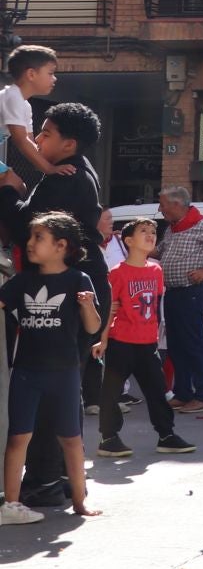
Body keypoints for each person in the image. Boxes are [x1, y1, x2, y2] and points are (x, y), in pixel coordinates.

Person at [1, 211, 102, 523]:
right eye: (31, 237)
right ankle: (12, 504)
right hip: (27, 371)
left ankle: (80, 500)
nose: (30, 244)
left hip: (65, 371)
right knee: (19, 437)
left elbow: (92, 327)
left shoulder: (78, 280)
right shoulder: (23, 280)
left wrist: (87, 306)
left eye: (38, 238)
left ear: (62, 245)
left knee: (71, 438)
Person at [94, 217, 193, 459]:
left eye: (153, 231)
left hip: (147, 342)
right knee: (112, 391)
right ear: (128, 240)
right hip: (121, 341)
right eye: (143, 231)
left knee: (157, 390)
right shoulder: (117, 273)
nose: (150, 235)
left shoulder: (157, 270)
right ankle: (109, 438)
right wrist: (103, 339)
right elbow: (110, 308)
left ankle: (166, 435)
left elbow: (155, 305)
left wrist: (159, 336)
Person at [156, 185, 203, 414]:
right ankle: (183, 393)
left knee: (193, 344)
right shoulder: (172, 228)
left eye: (162, 204)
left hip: (192, 292)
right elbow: (161, 252)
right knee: (176, 346)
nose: (160, 209)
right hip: (173, 292)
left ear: (176, 204)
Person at [0, 46, 70, 196]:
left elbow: (31, 142)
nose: (55, 78)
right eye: (50, 73)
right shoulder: (12, 97)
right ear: (31, 74)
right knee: (14, 186)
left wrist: (50, 162)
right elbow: (21, 140)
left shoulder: (25, 105)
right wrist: (49, 169)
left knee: (17, 187)